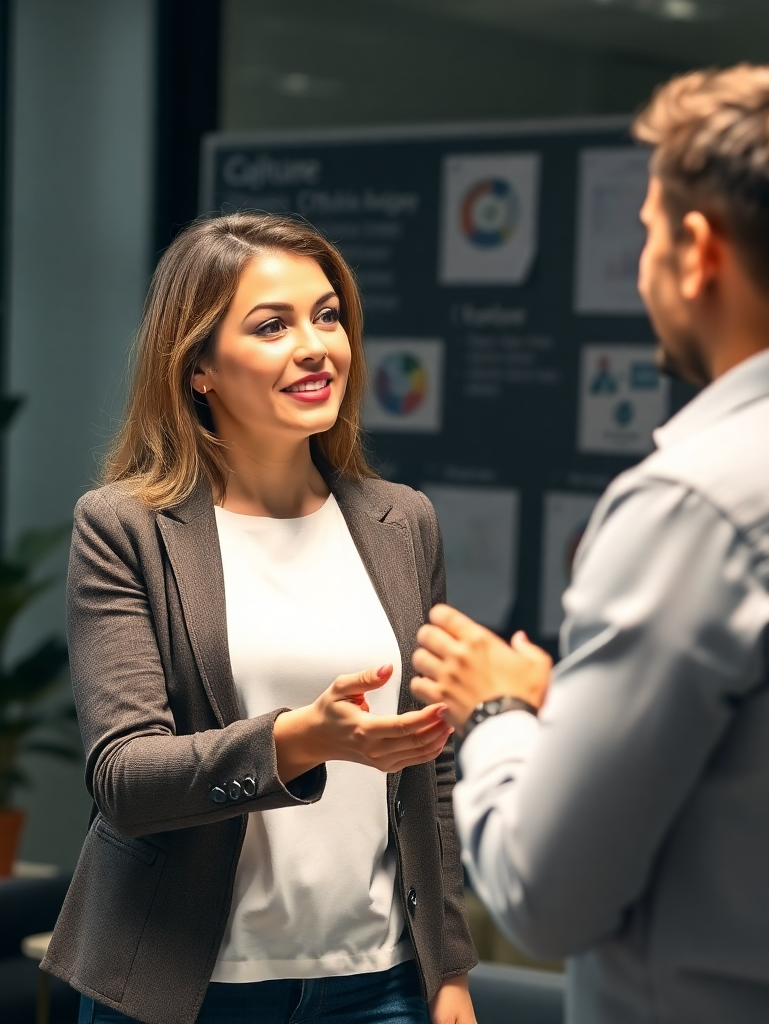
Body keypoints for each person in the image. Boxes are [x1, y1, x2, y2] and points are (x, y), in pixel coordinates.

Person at [411, 62, 769, 1024]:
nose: (641, 265)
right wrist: (570, 719)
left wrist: (498, 713)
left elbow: (544, 898)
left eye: (644, 232)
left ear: (697, 251)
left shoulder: (698, 505)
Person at [41, 213, 478, 1024]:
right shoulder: (124, 527)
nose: (315, 346)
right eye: (272, 325)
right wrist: (301, 740)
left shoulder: (402, 521)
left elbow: (431, 770)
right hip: (185, 984)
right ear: (199, 365)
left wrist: (448, 969)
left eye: (328, 315)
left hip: (380, 982)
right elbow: (125, 779)